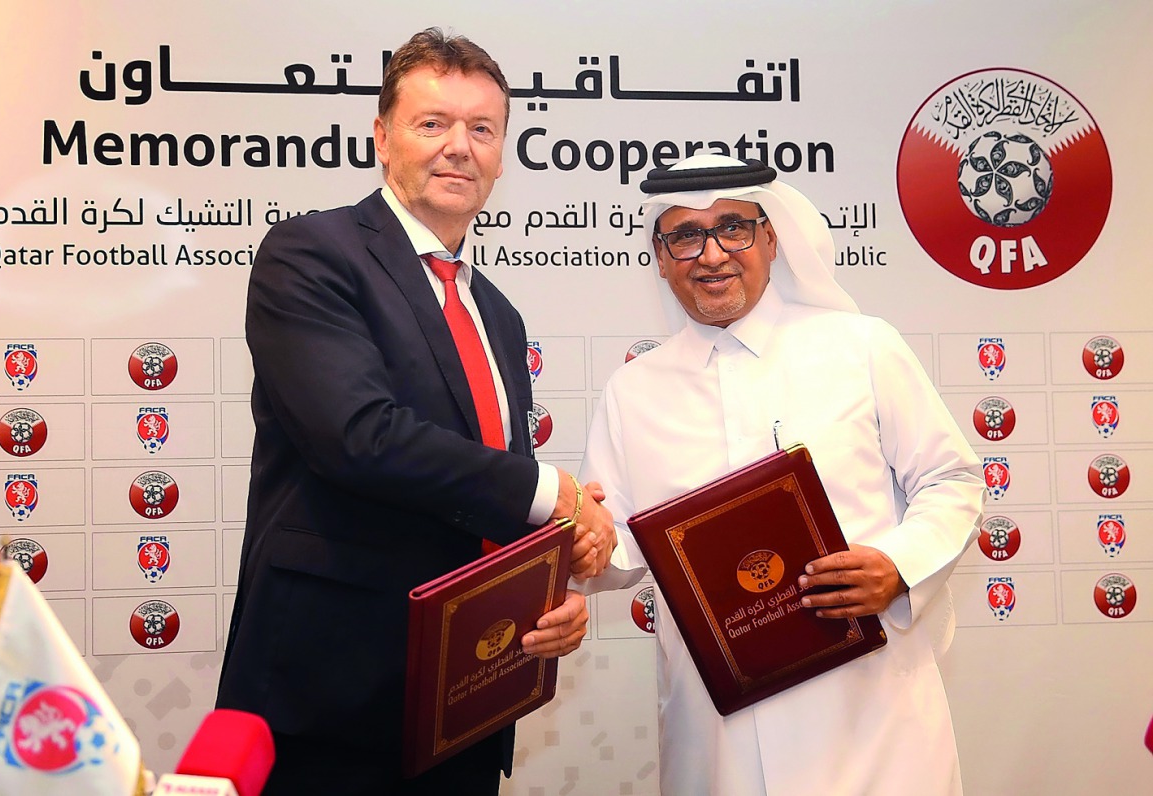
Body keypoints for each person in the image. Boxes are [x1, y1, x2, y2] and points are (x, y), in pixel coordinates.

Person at [216, 28, 615, 795]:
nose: (458, 148)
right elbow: (358, 438)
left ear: (502, 153)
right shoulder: (312, 254)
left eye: (481, 129)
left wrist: (553, 582)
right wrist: (553, 495)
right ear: (382, 137)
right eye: (432, 124)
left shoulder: (496, 312)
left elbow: (480, 495)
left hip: (468, 699)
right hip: (329, 703)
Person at [578, 154, 986, 795]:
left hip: (868, 713)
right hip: (719, 732)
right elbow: (621, 549)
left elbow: (951, 479)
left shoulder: (861, 347)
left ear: (771, 238)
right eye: (684, 235)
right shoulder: (633, 391)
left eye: (733, 227)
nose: (711, 254)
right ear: (660, 257)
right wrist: (586, 543)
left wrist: (897, 564)